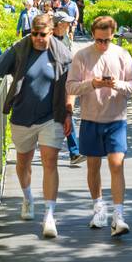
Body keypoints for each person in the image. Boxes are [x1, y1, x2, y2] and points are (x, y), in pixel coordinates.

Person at [0, 13, 73, 239]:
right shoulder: (20, 49)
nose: (38, 38)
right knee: (23, 162)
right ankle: (27, 198)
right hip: (22, 117)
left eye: (42, 34)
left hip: (51, 117)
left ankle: (49, 214)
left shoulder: (62, 54)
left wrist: (69, 112)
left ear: (51, 33)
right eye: (34, 34)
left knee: (50, 161)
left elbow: (70, 86)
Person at [66, 14, 132, 236]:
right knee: (93, 166)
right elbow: (70, 86)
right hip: (90, 118)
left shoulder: (122, 55)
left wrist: (118, 85)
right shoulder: (82, 56)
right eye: (99, 40)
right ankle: (98, 206)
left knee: (117, 165)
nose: (102, 44)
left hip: (116, 119)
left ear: (112, 36)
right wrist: (93, 84)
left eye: (106, 40)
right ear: (92, 36)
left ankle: (119, 214)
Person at [52, 12, 84, 165]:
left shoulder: (64, 37)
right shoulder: (48, 38)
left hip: (65, 81)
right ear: (58, 24)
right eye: (66, 23)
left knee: (67, 113)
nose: (68, 26)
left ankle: (74, 153)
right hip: (51, 83)